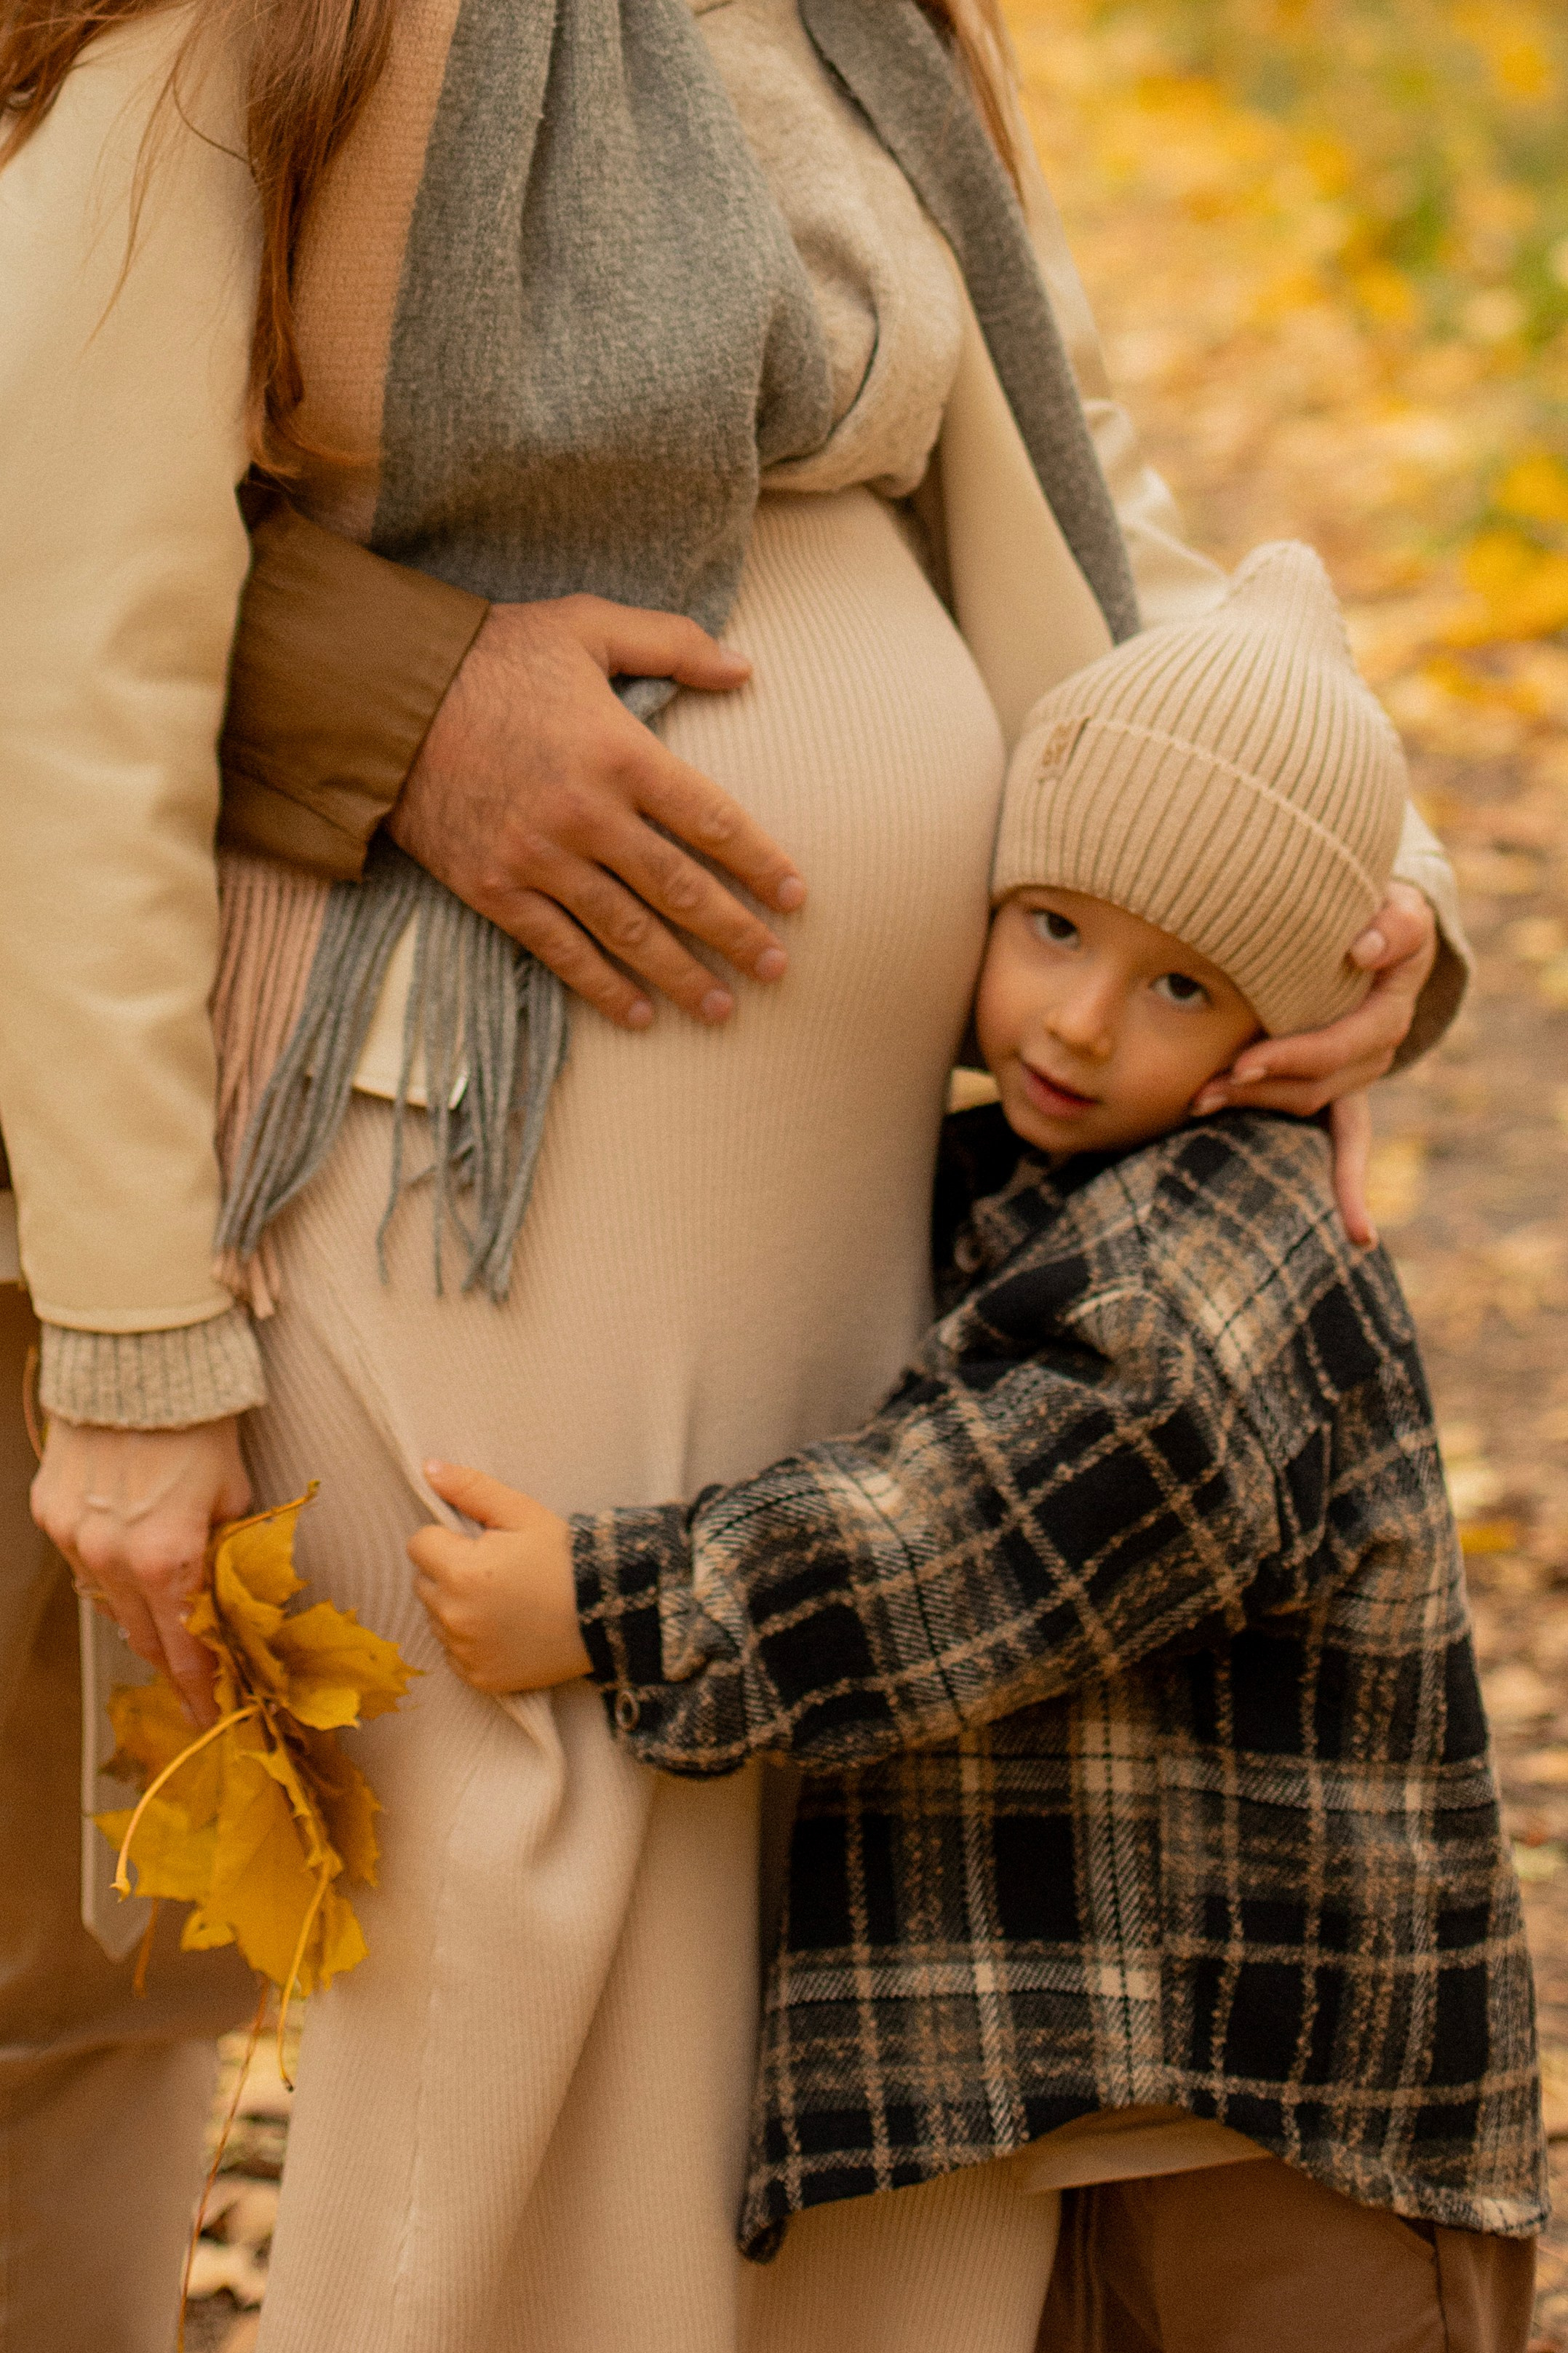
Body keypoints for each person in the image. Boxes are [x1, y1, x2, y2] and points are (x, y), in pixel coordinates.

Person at [0, 0, 1469, 2344]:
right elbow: (65, 643)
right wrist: (131, 1336)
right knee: (548, 1899)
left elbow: (1060, 478)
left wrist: (1352, 894)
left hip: (876, 1176)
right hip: (459, 1123)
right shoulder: (236, 32)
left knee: (838, 1892)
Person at [410, 547, 1545, 2353]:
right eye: (1054, 929)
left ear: (1289, 1029)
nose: (1085, 1022)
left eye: (1183, 989)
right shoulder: (1025, 1194)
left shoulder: (1221, 1250)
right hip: (1117, 2126)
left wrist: (630, 1605)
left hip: (1277, 2128)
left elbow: (1002, 1529)